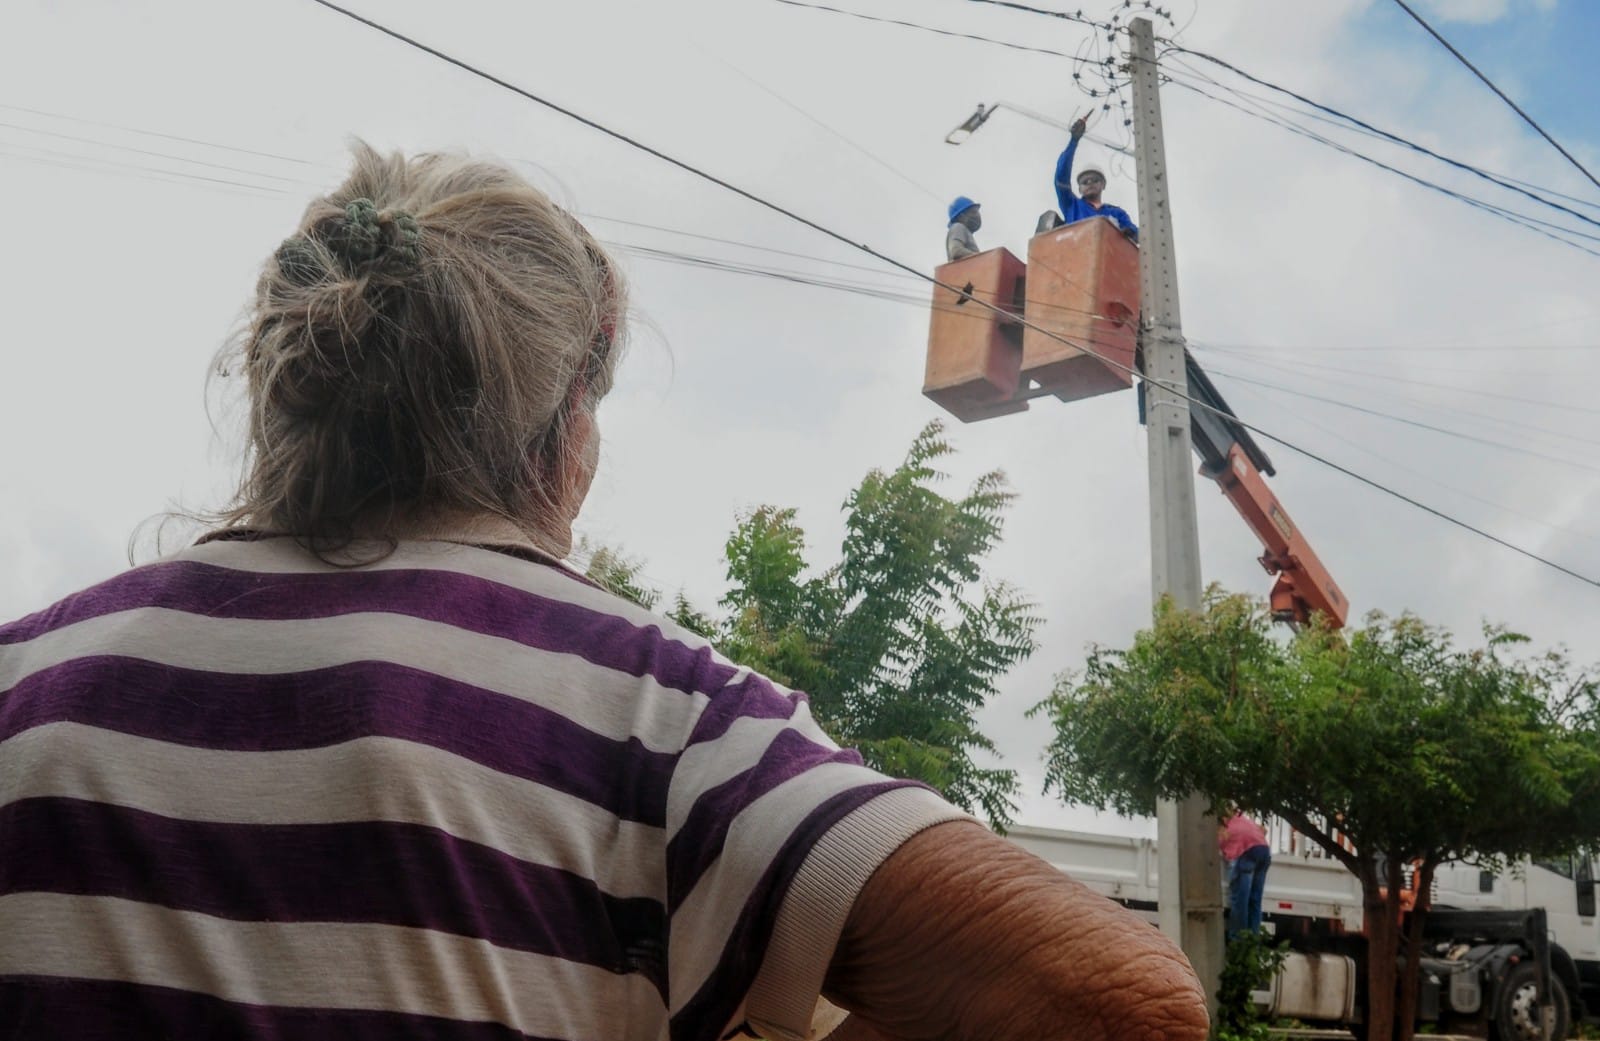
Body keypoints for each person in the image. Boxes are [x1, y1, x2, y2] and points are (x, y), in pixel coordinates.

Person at [0, 144, 1208, 1041]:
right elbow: (1122, 1002)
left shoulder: (24, 683)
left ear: (288, 385)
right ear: (564, 420)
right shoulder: (664, 718)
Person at [1054, 118, 1138, 241]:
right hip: (1076, 254)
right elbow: (1061, 177)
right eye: (1085, 182)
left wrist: (1131, 233)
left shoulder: (1116, 213)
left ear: (1103, 184)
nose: (1090, 184)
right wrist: (1074, 141)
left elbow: (1139, 235)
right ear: (1079, 188)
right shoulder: (1072, 205)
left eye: (1095, 180)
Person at [1219, 808, 1273, 936]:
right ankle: (1253, 939)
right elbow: (1263, 830)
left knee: (1240, 901)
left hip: (1247, 853)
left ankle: (1239, 940)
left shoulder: (1225, 828)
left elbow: (1220, 844)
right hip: (1264, 852)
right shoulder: (1243, 820)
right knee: (1255, 901)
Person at [945, 195, 983, 261]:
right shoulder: (958, 226)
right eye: (973, 212)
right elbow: (956, 251)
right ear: (961, 216)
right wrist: (983, 259)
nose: (977, 215)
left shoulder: (965, 232)